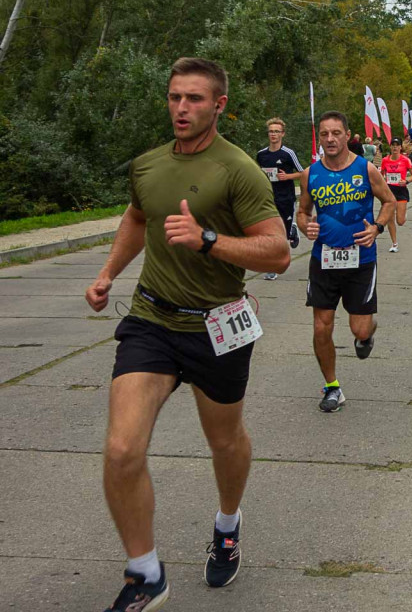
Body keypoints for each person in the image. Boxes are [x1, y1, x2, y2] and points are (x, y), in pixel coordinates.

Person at [85, 58, 290, 611]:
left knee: (224, 441)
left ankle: (228, 522)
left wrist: (208, 240)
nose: (182, 108)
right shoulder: (149, 165)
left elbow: (278, 252)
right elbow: (137, 217)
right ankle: (146, 575)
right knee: (122, 447)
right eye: (175, 97)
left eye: (195, 99)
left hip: (217, 324)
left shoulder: (238, 169)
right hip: (152, 318)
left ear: (219, 105)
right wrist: (109, 273)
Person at [297, 112, 396, 413]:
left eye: (336, 133)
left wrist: (377, 228)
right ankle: (332, 387)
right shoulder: (310, 173)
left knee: (360, 330)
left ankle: (367, 335)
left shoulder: (365, 169)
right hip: (323, 259)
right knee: (320, 327)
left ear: (347, 135)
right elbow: (302, 212)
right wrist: (305, 226)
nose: (330, 139)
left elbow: (389, 201)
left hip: (361, 260)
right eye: (325, 133)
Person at [255, 117, 303, 280]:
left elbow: (304, 173)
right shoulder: (261, 155)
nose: (273, 134)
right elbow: (257, 174)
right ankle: (273, 267)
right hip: (268, 199)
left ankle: (292, 231)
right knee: (271, 233)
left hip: (286, 198)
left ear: (282, 134)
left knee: (284, 234)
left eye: (276, 131)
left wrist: (288, 176)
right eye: (271, 131)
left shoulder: (288, 153)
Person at [380, 138, 412, 251]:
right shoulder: (385, 160)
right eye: (393, 145)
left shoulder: (405, 160)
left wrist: (406, 181)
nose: (395, 147)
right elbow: (381, 175)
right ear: (390, 147)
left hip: (401, 191)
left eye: (397, 145)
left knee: (400, 221)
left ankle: (403, 213)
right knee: (389, 218)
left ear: (400, 147)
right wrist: (382, 182)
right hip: (389, 192)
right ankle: (394, 243)